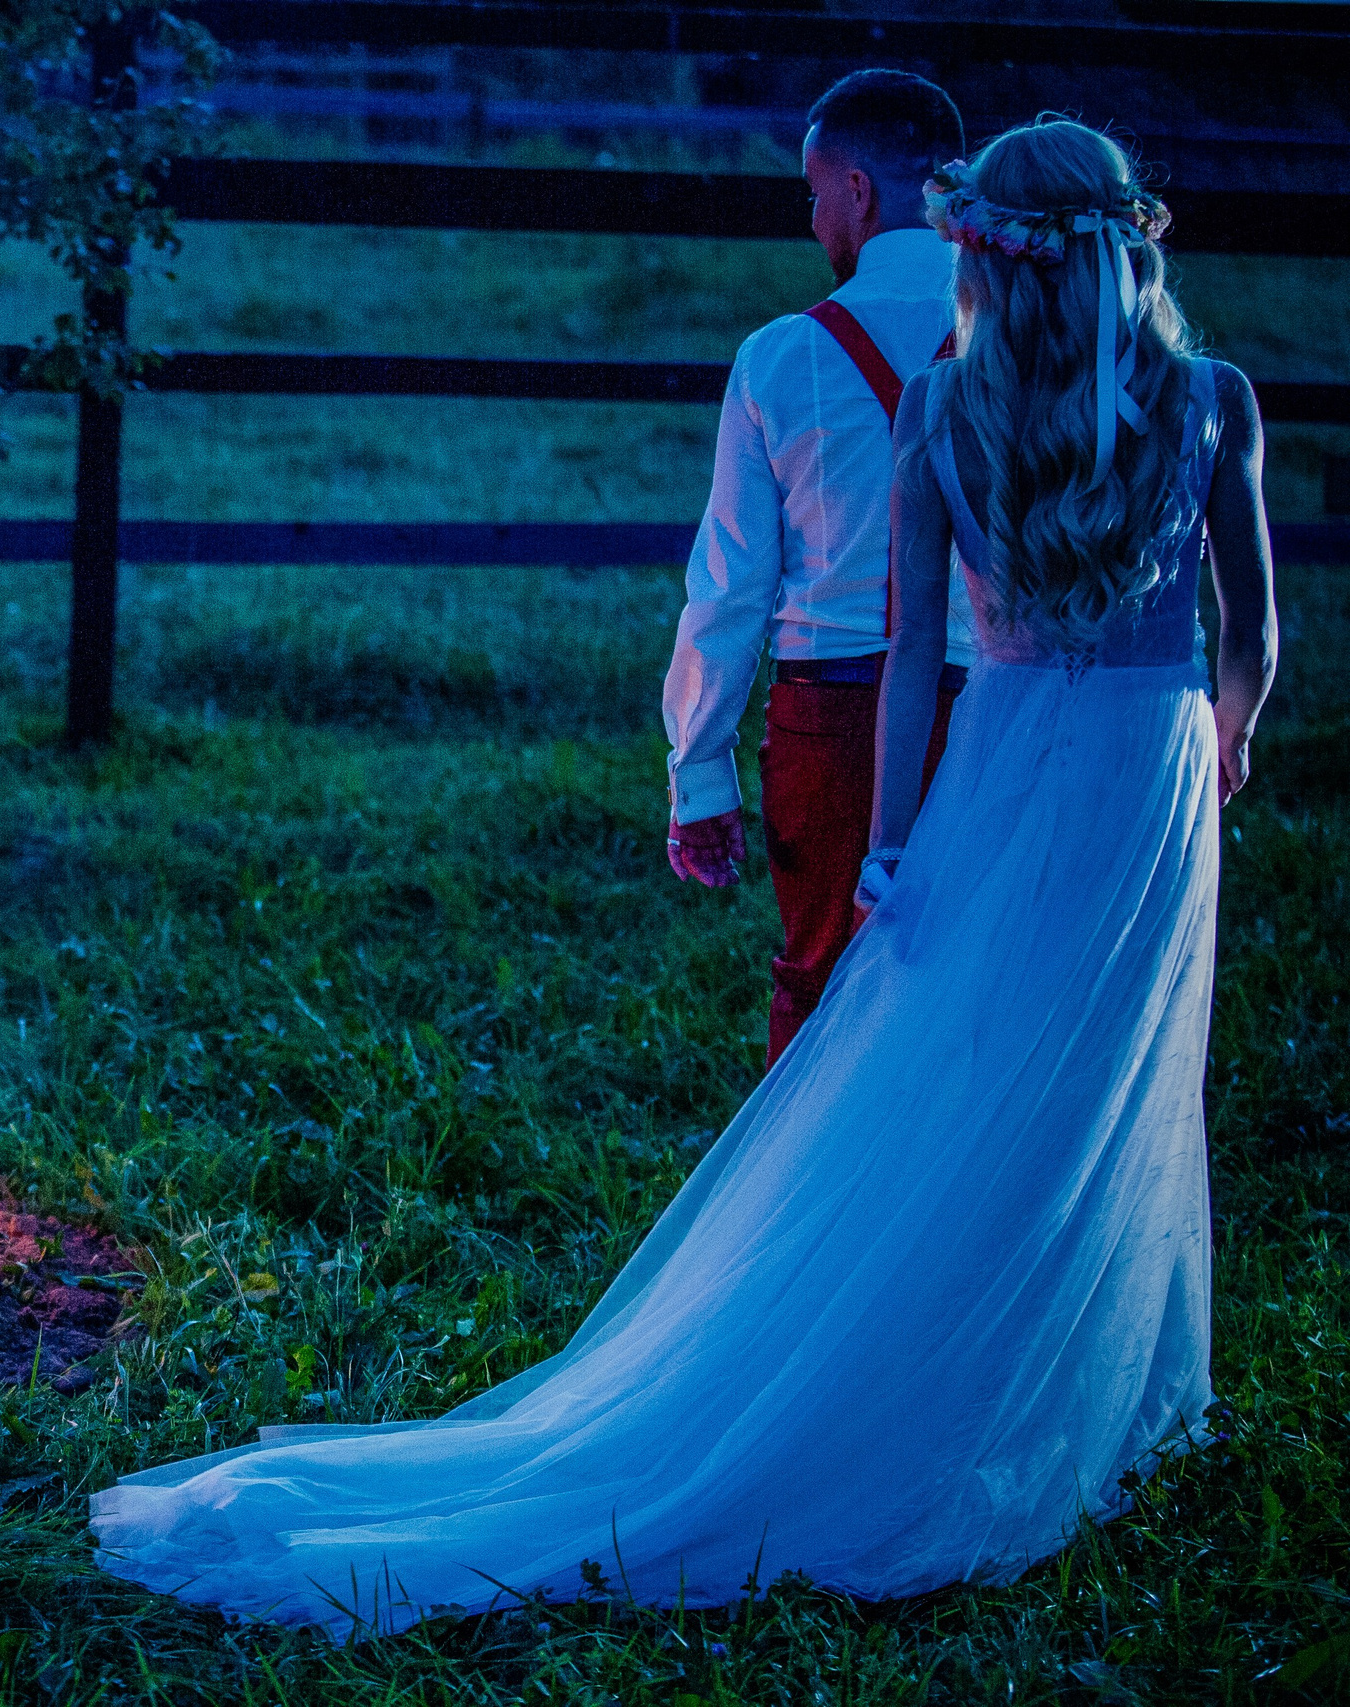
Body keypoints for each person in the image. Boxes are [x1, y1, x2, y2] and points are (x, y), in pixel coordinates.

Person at [88, 117, 1276, 1640]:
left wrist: (894, 845)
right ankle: (1060, 1377)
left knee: (973, 1058)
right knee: (1109, 1067)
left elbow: (914, 650)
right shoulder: (1212, 402)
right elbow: (1253, 631)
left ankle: (991, 1352)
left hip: (995, 768)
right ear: (1127, 252)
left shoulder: (940, 410)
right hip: (1145, 773)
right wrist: (1228, 732)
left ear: (982, 255)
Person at [662, 70, 976, 1065]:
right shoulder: (1019, 346)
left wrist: (699, 770)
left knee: (821, 985)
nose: (811, 220)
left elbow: (730, 587)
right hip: (991, 708)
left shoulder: (779, 358)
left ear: (857, 191)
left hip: (830, 716)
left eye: (812, 192)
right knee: (976, 988)